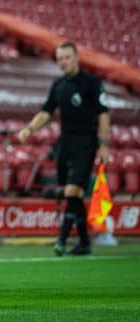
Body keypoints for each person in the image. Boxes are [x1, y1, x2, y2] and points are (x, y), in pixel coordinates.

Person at [17, 41, 110, 256]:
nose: (63, 62)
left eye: (66, 57)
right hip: (65, 144)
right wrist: (29, 129)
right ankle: (84, 243)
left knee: (72, 191)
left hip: (86, 143)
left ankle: (62, 240)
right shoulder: (58, 85)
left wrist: (104, 145)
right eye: (59, 59)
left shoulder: (91, 83)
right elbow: (46, 112)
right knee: (71, 195)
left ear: (76, 57)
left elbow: (103, 114)